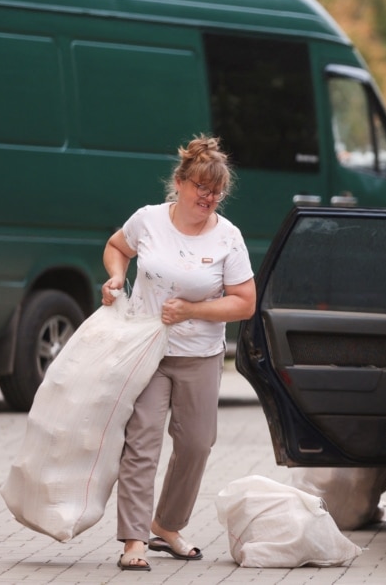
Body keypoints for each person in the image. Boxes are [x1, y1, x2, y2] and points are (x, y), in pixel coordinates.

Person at [101, 135, 256, 572]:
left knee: (196, 444)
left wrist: (193, 310)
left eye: (216, 190)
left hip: (201, 355)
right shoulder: (148, 221)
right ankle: (133, 539)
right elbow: (117, 248)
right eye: (201, 187)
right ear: (181, 182)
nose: (208, 197)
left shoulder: (228, 237)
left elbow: (245, 301)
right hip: (147, 347)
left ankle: (166, 525)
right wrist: (116, 278)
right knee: (142, 441)